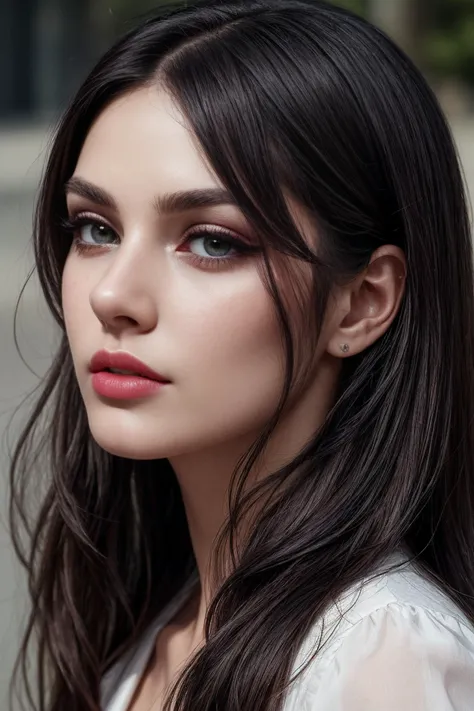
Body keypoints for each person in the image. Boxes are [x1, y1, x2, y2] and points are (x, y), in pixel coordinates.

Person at [9, 0, 474, 709]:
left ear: (364, 301)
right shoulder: (158, 630)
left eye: (213, 241)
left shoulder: (381, 659)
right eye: (95, 228)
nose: (114, 296)